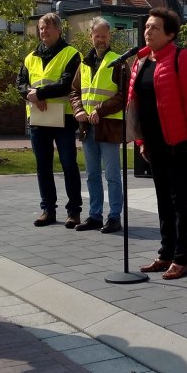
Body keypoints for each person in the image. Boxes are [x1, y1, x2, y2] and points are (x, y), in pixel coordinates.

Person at [127, 7, 187, 280]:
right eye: (147, 27)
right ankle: (165, 254)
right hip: (153, 143)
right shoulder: (140, 62)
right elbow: (135, 106)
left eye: (155, 28)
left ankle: (181, 259)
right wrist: (140, 140)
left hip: (179, 142)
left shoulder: (180, 59)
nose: (148, 31)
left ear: (170, 33)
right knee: (163, 200)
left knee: (181, 203)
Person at [17, 13, 83, 227]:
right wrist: (31, 94)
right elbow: (20, 83)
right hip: (38, 118)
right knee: (42, 166)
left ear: (59, 30)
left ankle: (74, 211)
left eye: (48, 28)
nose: (43, 32)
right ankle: (48, 210)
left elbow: (67, 84)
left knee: (68, 165)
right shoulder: (30, 57)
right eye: (41, 28)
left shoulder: (71, 54)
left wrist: (40, 94)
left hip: (63, 118)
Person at [69, 18, 126, 234]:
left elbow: (123, 96)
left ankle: (114, 217)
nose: (100, 40)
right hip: (87, 127)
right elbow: (74, 92)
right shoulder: (83, 64)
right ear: (90, 36)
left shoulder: (118, 62)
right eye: (97, 36)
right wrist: (79, 111)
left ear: (109, 36)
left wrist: (99, 110)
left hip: (109, 127)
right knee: (92, 174)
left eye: (104, 36)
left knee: (112, 175)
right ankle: (95, 215)